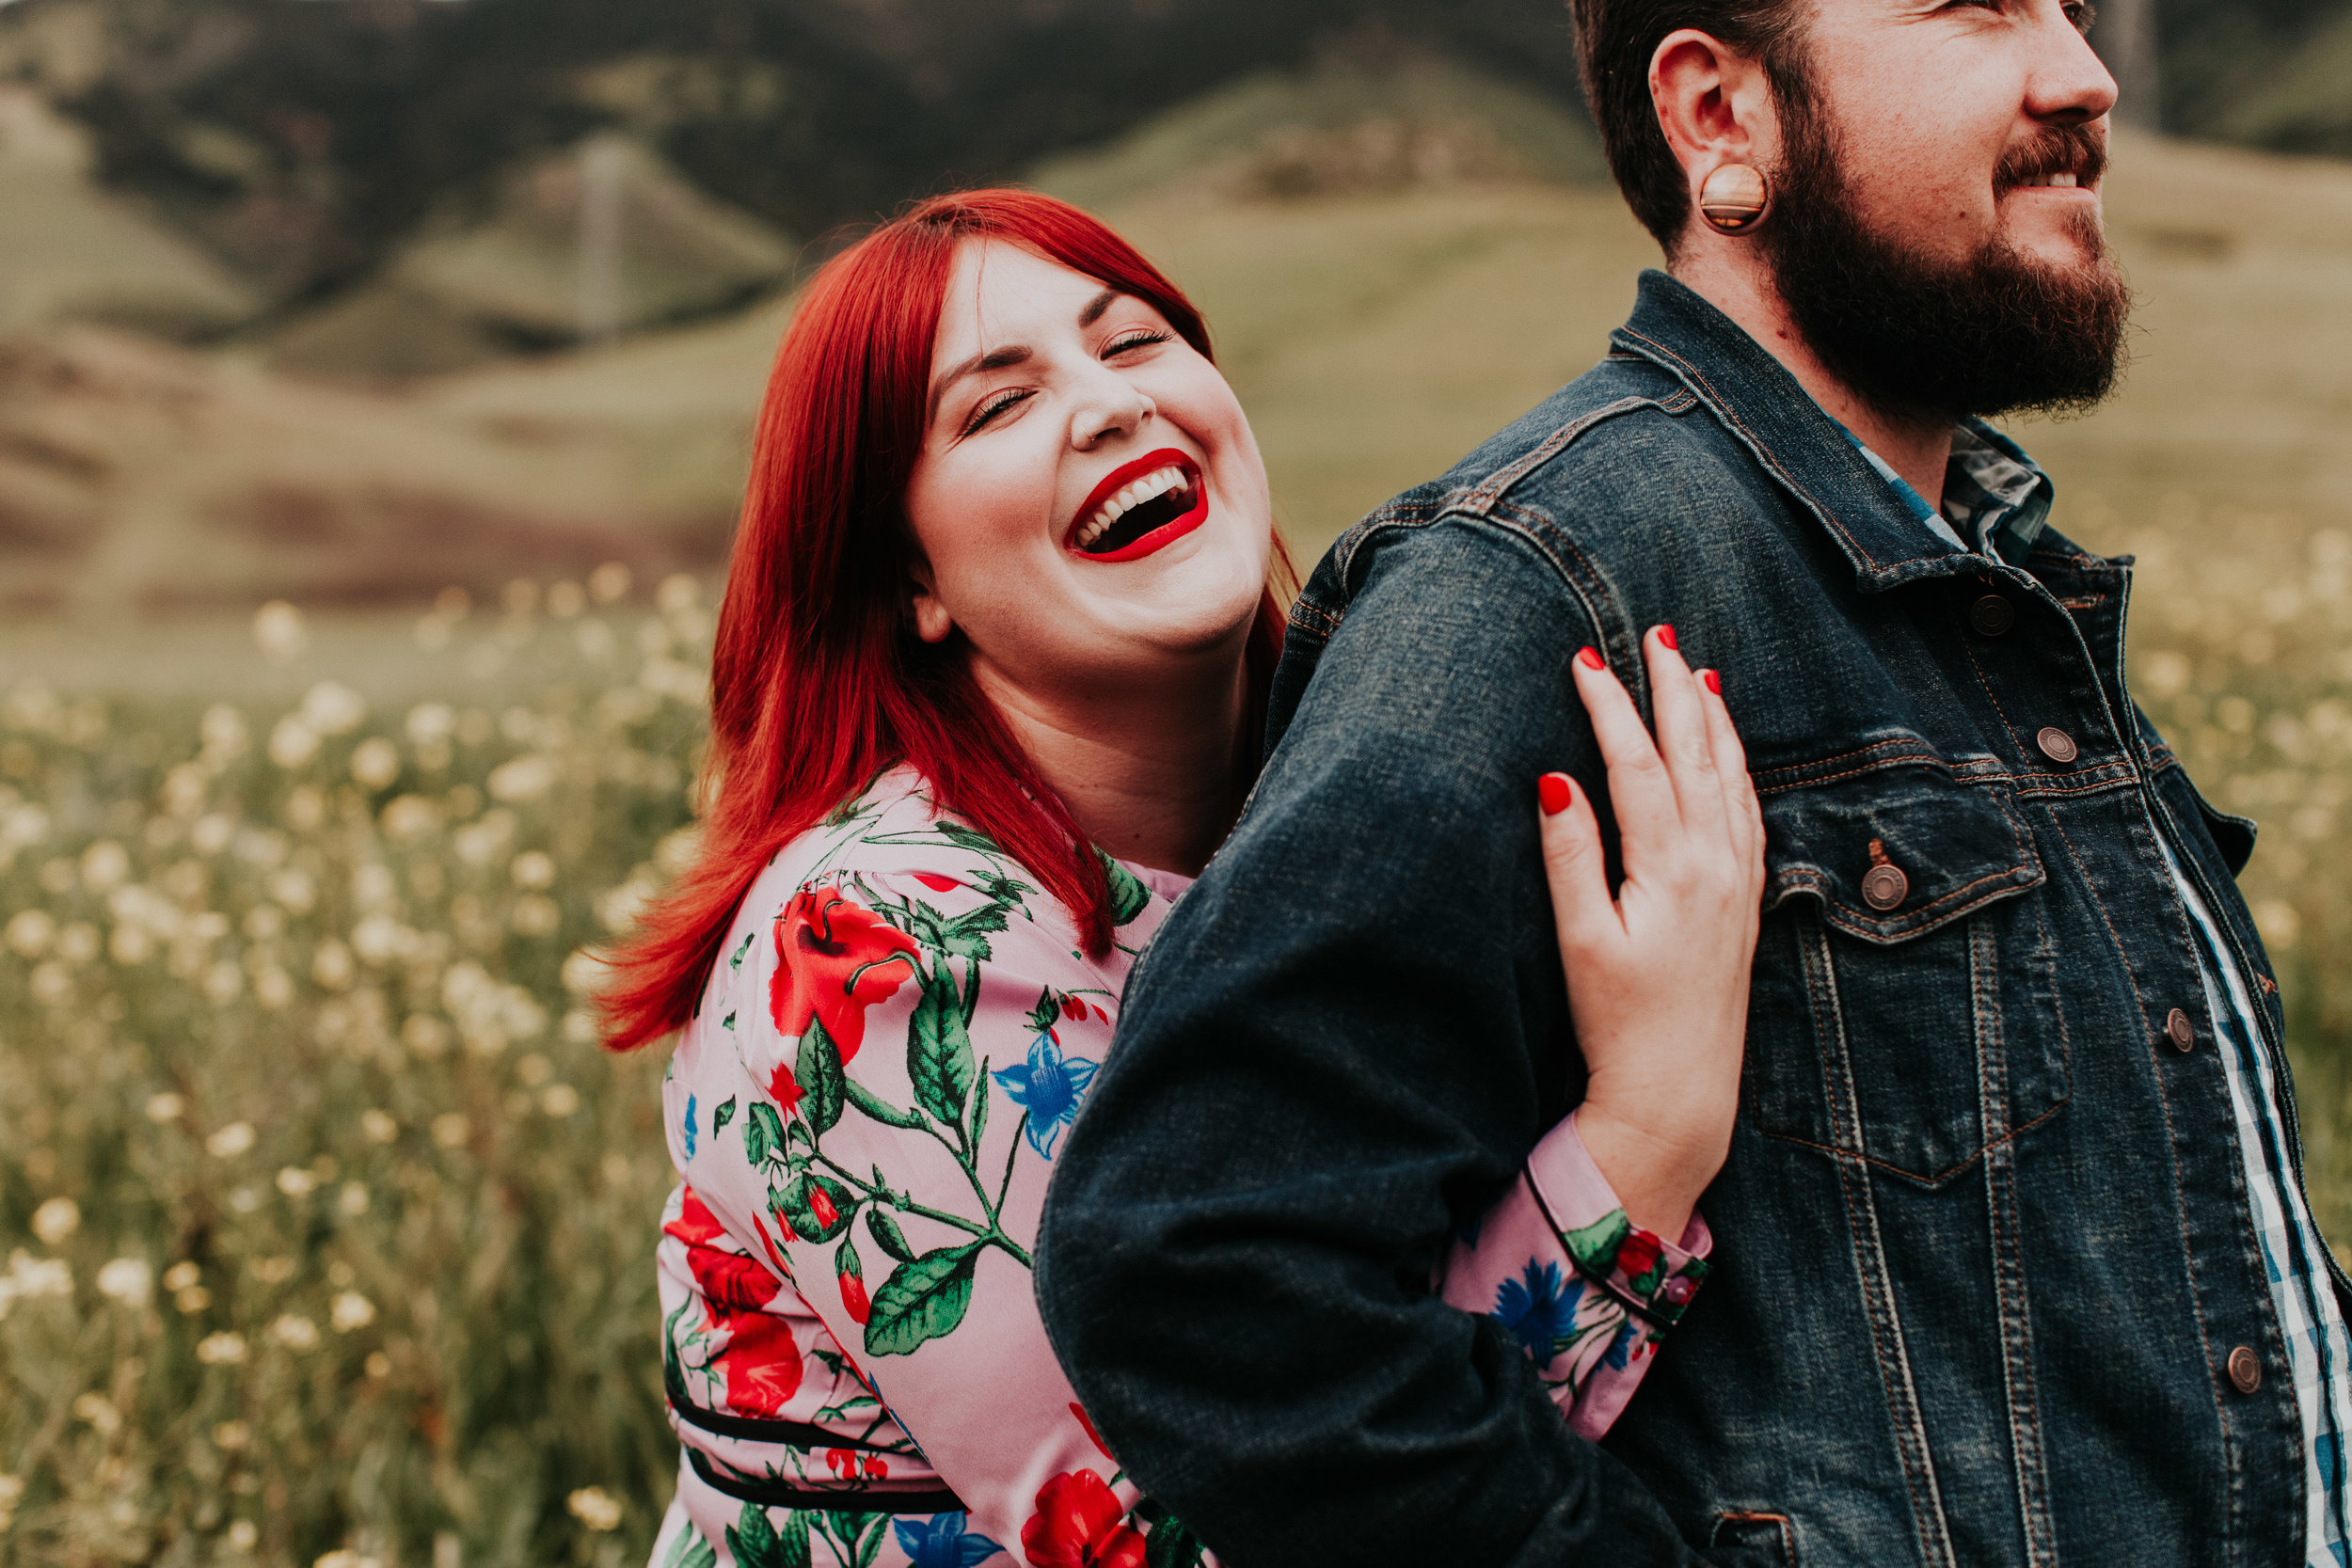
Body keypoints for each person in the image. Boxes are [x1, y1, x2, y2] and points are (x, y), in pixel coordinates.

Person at [1038, 2, 2352, 1565]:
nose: (2083, 74)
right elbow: (1194, 1272)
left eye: (2069, 2)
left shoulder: (1996, 590)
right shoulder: (1543, 588)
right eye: (1974, 6)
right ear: (1720, 113)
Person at [596, 190, 1763, 1568]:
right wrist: (1647, 1135)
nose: (1105, 407)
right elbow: (1207, 1527)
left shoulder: (1350, 809)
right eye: (996, 406)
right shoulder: (875, 956)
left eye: (1135, 342)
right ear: (911, 579)